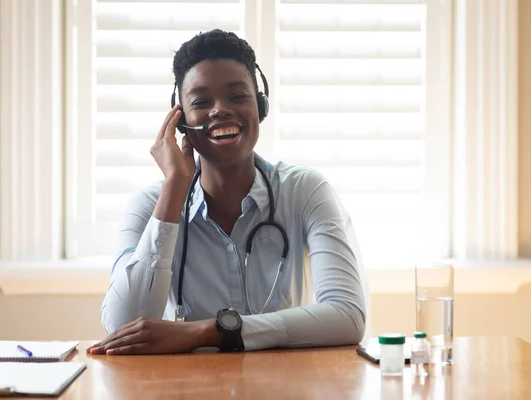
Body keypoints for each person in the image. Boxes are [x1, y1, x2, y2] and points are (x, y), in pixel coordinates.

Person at [87, 29, 368, 356]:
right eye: (201, 102)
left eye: (238, 96)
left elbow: (348, 315)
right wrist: (175, 185)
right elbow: (121, 327)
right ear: (181, 121)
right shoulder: (151, 204)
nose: (220, 110)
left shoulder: (305, 191)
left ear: (260, 106)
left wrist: (211, 331)